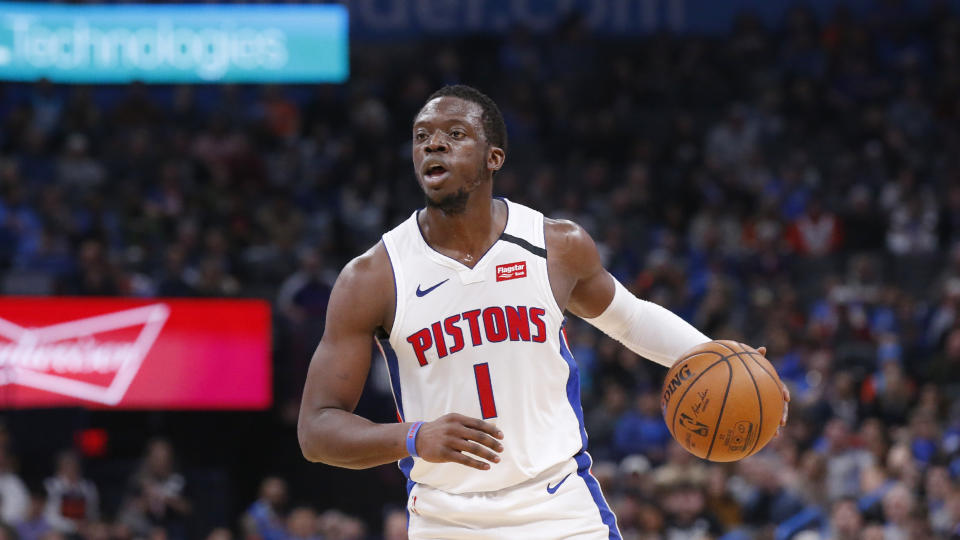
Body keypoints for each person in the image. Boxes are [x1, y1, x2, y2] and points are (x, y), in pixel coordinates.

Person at [297, 85, 789, 539]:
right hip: (448, 518)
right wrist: (413, 436)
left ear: (494, 158)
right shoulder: (373, 277)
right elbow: (317, 430)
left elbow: (631, 319)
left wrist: (732, 362)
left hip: (560, 509)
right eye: (422, 136)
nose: (434, 145)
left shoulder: (556, 246)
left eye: (455, 134)